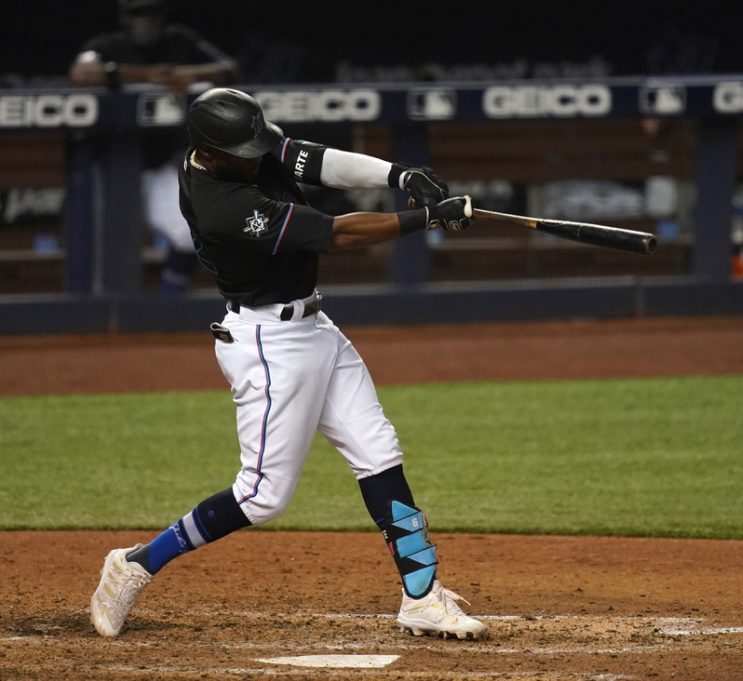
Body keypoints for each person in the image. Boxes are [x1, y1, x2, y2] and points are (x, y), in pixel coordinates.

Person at [89, 88, 485, 641]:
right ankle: (136, 563)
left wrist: (401, 174)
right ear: (213, 151)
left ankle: (420, 596)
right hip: (269, 345)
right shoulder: (220, 204)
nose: (259, 154)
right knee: (261, 496)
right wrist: (426, 219)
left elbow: (316, 161)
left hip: (316, 328)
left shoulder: (240, 147)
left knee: (378, 451)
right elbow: (337, 231)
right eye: (246, 150)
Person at [69, 0, 240, 293]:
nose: (145, 21)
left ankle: (168, 303)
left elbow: (229, 68)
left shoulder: (178, 39)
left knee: (189, 233)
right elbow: (81, 74)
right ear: (124, 17)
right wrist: (145, 76)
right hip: (112, 170)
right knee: (100, 247)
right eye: (138, 14)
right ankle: (91, 317)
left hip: (158, 165)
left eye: (151, 14)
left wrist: (189, 74)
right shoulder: (107, 45)